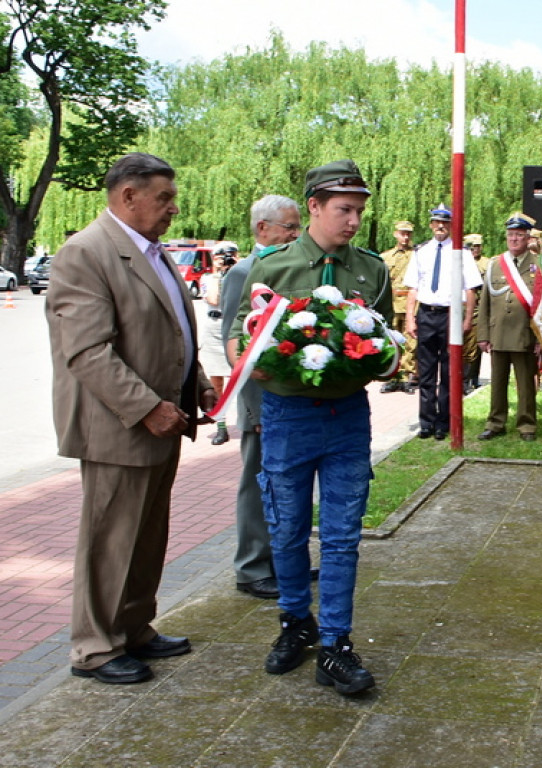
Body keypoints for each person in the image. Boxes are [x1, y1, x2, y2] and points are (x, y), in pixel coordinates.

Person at [46, 152, 216, 684]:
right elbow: (88, 352)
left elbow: (168, 330)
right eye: (164, 197)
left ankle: (135, 627)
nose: (173, 208)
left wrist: (200, 382)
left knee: (146, 534)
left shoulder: (153, 251)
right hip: (118, 425)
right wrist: (147, 408)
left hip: (164, 417)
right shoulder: (85, 253)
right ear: (128, 196)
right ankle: (95, 648)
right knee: (110, 539)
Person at [228, 160, 390, 696]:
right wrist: (263, 362)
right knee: (287, 529)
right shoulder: (273, 268)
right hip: (287, 415)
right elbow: (238, 338)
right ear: (314, 206)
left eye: (359, 211)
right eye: (344, 209)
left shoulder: (372, 271)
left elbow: (390, 339)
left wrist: (385, 359)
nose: (353, 222)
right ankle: (295, 623)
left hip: (346, 417)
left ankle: (337, 645)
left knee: (343, 537)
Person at [220, 194, 301, 600]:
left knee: (282, 484)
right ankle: (251, 567)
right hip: (259, 403)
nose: (296, 234)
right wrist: (252, 406)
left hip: (286, 402)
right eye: (289, 227)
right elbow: (237, 343)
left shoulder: (286, 267)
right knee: (257, 486)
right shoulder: (246, 272)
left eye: (297, 226)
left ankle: (279, 561)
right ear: (262, 229)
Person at [404, 204, 482, 440]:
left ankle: (443, 422)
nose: (440, 227)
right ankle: (426, 422)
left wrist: (467, 319)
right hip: (426, 314)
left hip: (451, 315)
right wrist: (410, 318)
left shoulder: (462, 253)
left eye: (445, 223)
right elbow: (413, 288)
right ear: (430, 225)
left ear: (451, 226)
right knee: (426, 371)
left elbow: (471, 290)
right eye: (437, 223)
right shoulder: (421, 252)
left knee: (449, 372)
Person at [478, 213, 540, 441]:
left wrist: (541, 339)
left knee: (525, 383)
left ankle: (527, 425)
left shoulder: (538, 265)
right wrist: (483, 335)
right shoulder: (495, 264)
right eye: (511, 235)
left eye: (519, 235)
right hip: (498, 334)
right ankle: (495, 423)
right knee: (498, 381)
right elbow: (484, 301)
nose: (514, 239)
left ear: (527, 238)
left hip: (525, 334)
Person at [199, 241, 238, 445]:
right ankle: (221, 426)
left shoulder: (241, 275)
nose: (226, 258)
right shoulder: (208, 278)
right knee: (216, 381)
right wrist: (218, 274)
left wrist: (235, 273)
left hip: (234, 326)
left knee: (241, 378)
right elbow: (214, 299)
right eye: (220, 256)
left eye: (230, 254)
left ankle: (249, 421)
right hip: (214, 326)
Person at [379, 221, 418, 394]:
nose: (406, 237)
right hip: (392, 302)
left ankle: (407, 377)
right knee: (392, 340)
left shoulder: (417, 255)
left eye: (409, 233)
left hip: (411, 302)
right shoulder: (386, 257)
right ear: (395, 234)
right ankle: (393, 376)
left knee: (411, 341)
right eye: (402, 233)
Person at [463, 233, 488, 393]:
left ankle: (471, 378)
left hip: (478, 309)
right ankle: (461, 378)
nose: (475, 250)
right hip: (460, 307)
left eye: (477, 246)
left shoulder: (487, 263)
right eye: (471, 247)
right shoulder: (460, 262)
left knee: (475, 346)